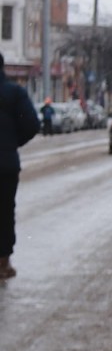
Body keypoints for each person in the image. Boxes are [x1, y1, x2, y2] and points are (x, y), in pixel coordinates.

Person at [0, 55, 40, 279]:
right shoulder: (14, 93)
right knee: (4, 212)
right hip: (5, 164)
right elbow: (32, 125)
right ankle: (2, 261)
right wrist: (12, 143)